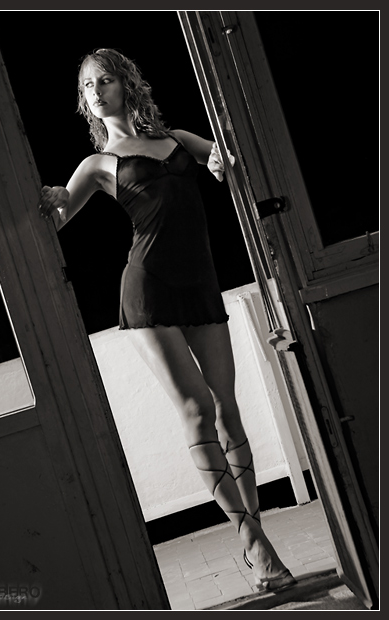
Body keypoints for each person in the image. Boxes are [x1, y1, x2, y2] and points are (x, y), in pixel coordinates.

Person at [38, 48, 296, 593]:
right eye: (87, 87)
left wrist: (220, 161)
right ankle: (256, 544)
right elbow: (56, 220)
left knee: (227, 409)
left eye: (105, 80)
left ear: (126, 84)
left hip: (199, 285)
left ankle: (256, 537)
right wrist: (52, 200)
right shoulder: (98, 165)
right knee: (197, 408)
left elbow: (221, 160)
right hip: (147, 292)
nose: (96, 92)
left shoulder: (176, 140)